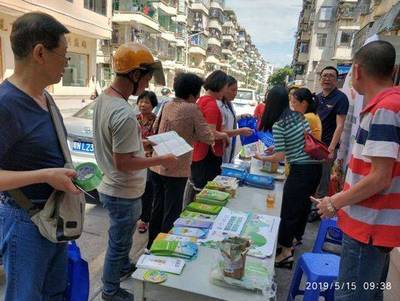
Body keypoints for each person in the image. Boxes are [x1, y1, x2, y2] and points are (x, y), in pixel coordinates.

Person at [0, 12, 82, 300]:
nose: (66, 63)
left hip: (52, 219)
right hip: (26, 223)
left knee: (55, 293)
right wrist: (46, 176)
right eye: (63, 55)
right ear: (39, 53)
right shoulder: (6, 104)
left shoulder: (45, 97)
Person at [313, 41, 400, 301]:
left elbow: (380, 177)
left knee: (351, 296)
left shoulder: (385, 110)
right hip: (372, 226)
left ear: (358, 71)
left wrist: (333, 202)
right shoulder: (387, 104)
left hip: (368, 227)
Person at [93, 43, 177, 301]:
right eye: (147, 77)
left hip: (110, 185)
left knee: (122, 239)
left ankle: (123, 266)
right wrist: (162, 158)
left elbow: (115, 145)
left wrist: (144, 144)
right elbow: (124, 162)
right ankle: (110, 290)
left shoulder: (104, 100)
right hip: (122, 190)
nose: (148, 84)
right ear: (135, 74)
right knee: (118, 244)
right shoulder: (124, 113)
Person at [255, 86, 322, 269]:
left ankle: (285, 253)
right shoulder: (299, 116)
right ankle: (292, 241)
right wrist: (276, 149)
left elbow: (279, 157)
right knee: (301, 208)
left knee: (288, 211)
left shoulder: (278, 124)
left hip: (301, 170)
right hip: (315, 168)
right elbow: (302, 141)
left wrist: (261, 157)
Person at [148, 73, 214, 248]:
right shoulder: (192, 109)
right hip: (176, 168)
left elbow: (155, 128)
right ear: (192, 94)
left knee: (158, 207)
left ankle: (151, 245)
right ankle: (163, 249)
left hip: (156, 164)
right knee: (172, 211)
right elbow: (206, 136)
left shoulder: (166, 104)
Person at [288, 87, 322, 245]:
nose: (292, 105)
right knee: (301, 206)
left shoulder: (307, 118)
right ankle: (295, 238)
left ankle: (288, 246)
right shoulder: (312, 116)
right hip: (309, 167)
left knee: (294, 208)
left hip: (304, 169)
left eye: (294, 102)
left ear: (304, 103)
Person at [191, 70, 230, 190]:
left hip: (198, 151)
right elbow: (211, 133)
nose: (225, 91)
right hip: (208, 154)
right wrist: (224, 136)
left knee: (198, 189)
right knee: (206, 192)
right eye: (226, 87)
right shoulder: (211, 105)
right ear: (220, 85)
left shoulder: (201, 100)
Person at [315, 66, 349, 198]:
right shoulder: (317, 98)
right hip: (313, 144)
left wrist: (331, 148)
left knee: (323, 178)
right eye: (324, 76)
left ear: (336, 80)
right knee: (312, 176)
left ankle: (318, 210)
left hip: (326, 146)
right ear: (320, 79)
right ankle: (310, 204)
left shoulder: (341, 98)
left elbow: (340, 126)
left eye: (331, 76)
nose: (327, 79)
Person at [136, 91, 158, 233]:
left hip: (150, 161)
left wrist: (141, 142)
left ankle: (144, 219)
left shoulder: (157, 121)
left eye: (147, 102)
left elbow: (157, 141)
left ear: (153, 105)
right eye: (141, 101)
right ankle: (136, 216)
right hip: (135, 159)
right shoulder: (133, 119)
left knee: (148, 190)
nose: (143, 105)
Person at [217, 76, 253, 163]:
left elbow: (229, 120)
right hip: (221, 146)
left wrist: (240, 117)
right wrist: (240, 131)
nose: (235, 93)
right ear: (224, 89)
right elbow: (219, 130)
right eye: (233, 90)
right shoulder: (218, 105)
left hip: (229, 145)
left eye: (237, 90)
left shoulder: (229, 104)